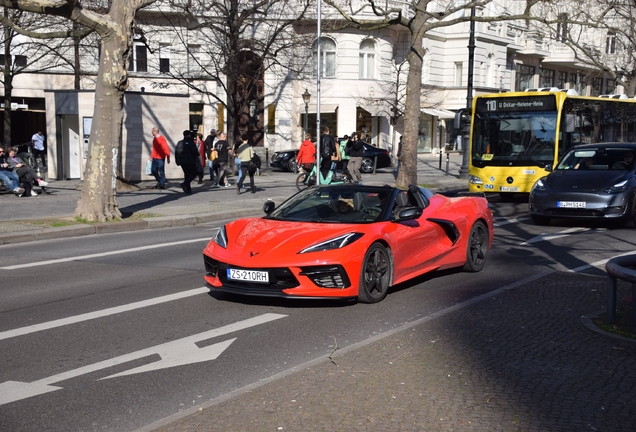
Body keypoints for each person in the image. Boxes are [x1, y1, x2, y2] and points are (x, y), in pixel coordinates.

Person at [174, 130, 200, 194]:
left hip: (182, 161)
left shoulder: (179, 142)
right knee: (194, 173)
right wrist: (197, 155)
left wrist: (177, 161)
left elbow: (176, 153)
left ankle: (188, 189)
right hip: (190, 161)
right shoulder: (191, 142)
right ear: (189, 135)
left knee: (187, 174)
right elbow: (195, 152)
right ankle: (185, 184)